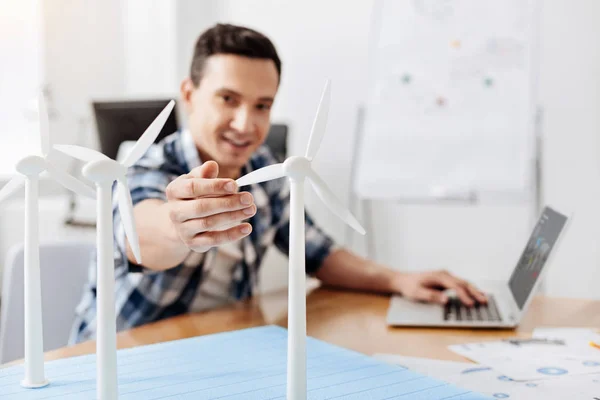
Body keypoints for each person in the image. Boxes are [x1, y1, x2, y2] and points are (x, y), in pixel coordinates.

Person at [70, 23, 486, 344]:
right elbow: (142, 233)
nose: (246, 124)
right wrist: (177, 226)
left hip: (221, 352)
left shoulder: (266, 171)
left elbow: (318, 253)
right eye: (228, 99)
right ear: (190, 93)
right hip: (121, 360)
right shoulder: (146, 166)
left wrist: (398, 280)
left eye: (262, 105)